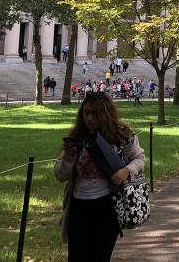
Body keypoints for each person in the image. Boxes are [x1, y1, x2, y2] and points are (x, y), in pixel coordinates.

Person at [54, 92, 145, 262]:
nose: (89, 118)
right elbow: (60, 175)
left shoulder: (123, 137)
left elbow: (140, 159)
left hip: (107, 207)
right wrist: (68, 157)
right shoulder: (76, 139)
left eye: (95, 114)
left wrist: (127, 171)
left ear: (106, 113)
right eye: (86, 113)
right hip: (78, 207)